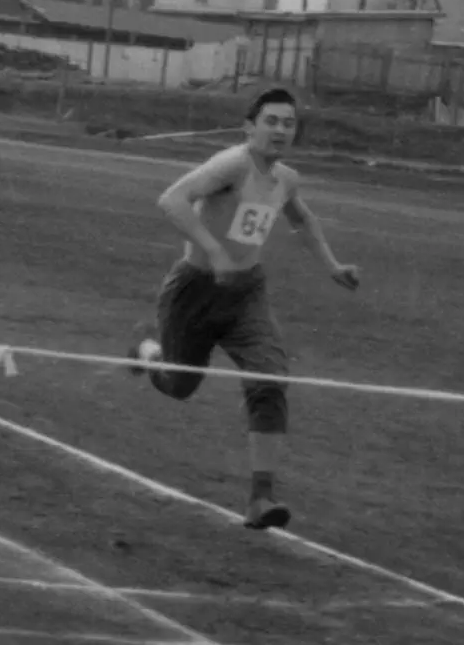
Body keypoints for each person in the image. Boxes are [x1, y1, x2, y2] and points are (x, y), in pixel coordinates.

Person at [126, 86, 360, 531]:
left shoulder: (286, 178)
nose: (280, 130)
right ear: (249, 126)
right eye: (271, 121)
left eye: (289, 124)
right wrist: (214, 254)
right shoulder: (231, 164)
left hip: (246, 294)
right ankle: (147, 354)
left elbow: (302, 218)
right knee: (179, 385)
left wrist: (332, 265)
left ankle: (261, 497)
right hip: (195, 289)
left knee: (270, 379)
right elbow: (172, 200)